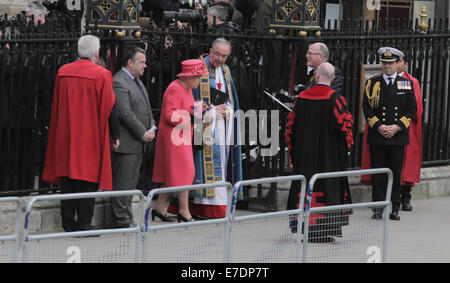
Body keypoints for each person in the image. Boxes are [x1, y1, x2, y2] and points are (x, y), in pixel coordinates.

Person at [42, 35, 117, 232]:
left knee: (67, 178)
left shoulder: (63, 72)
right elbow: (109, 108)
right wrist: (114, 136)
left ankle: (68, 222)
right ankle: (84, 222)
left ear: (77, 51)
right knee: (87, 179)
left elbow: (56, 105)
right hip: (90, 134)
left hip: (65, 133)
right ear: (96, 53)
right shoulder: (102, 74)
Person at [285, 62, 354, 243]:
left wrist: (295, 153)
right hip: (328, 159)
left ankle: (306, 227)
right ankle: (323, 230)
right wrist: (341, 155)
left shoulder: (301, 99)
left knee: (305, 187)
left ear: (316, 77)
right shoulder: (336, 100)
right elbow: (345, 132)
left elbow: (290, 130)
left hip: (304, 158)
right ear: (332, 79)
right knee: (326, 190)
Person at [361, 49, 423, 212]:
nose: (387, 66)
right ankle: (378, 207)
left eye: (390, 63)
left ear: (397, 64)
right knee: (378, 174)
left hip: (397, 136)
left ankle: (395, 206)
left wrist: (397, 127)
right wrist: (380, 126)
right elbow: (366, 108)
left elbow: (411, 109)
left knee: (395, 174)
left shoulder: (406, 83)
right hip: (378, 134)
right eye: (384, 63)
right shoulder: (372, 82)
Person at [189, 37, 243, 219]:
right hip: (204, 125)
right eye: (217, 54)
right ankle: (201, 207)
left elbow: (230, 98)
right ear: (210, 51)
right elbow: (192, 99)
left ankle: (219, 207)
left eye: (224, 56)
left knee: (222, 164)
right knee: (204, 164)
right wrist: (211, 110)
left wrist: (228, 108)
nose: (220, 59)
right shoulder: (199, 67)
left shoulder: (226, 70)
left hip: (223, 125)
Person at [152, 59, 209, 223]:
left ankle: (158, 208)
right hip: (174, 138)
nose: (200, 81)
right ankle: (184, 212)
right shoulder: (175, 88)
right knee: (185, 173)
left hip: (181, 136)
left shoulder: (187, 88)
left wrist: (199, 111)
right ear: (188, 77)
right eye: (198, 77)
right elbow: (169, 115)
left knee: (172, 176)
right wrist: (191, 116)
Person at [110, 46, 156, 228]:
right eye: (142, 62)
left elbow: (146, 106)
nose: (145, 66)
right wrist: (142, 132)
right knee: (123, 183)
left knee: (130, 184)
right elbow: (125, 112)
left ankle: (127, 216)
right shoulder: (119, 82)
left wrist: (152, 126)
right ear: (130, 62)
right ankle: (120, 219)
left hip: (138, 142)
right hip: (128, 142)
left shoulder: (137, 81)